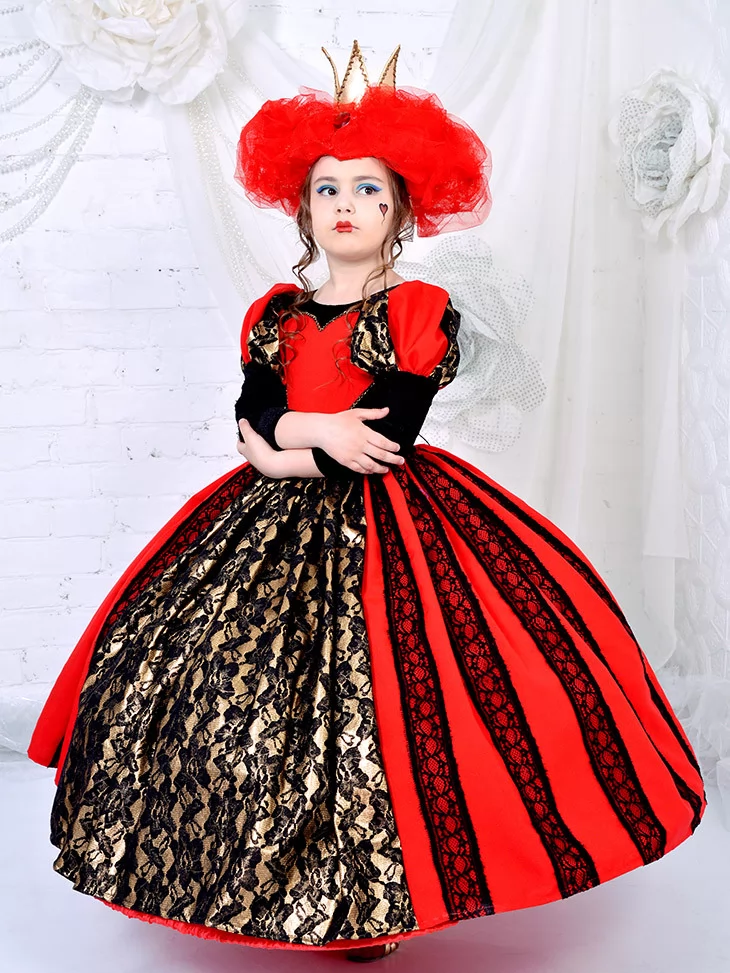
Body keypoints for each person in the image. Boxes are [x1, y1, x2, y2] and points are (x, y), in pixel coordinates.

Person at [27, 40, 706, 965]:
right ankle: (250, 884)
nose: (344, 204)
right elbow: (251, 421)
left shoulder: (418, 311)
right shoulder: (276, 314)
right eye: (327, 188)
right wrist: (306, 435)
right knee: (214, 683)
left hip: (395, 528)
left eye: (367, 189)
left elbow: (382, 439)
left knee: (392, 704)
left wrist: (284, 445)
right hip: (265, 523)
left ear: (401, 210)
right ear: (302, 207)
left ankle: (380, 898)